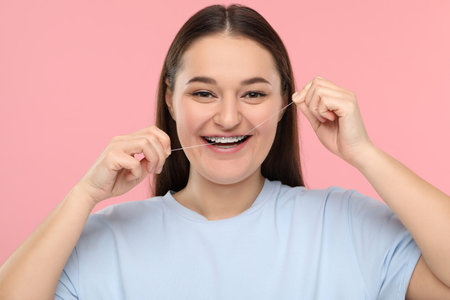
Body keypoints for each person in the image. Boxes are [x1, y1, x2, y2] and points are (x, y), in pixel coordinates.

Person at [0, 4, 449, 299]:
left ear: (285, 102)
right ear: (171, 99)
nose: (230, 118)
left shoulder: (349, 224)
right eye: (204, 94)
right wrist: (83, 195)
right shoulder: (105, 240)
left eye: (253, 95)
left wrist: (364, 153)